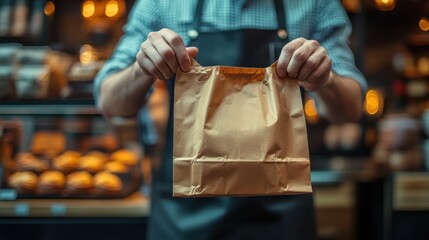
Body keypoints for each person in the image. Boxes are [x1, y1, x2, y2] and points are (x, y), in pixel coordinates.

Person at [94, 0, 367, 239]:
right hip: (186, 212)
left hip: (280, 213)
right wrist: (142, 69)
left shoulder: (316, 4)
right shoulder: (161, 3)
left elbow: (351, 108)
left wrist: (325, 81)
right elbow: (109, 101)